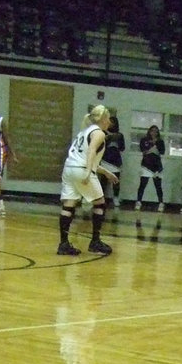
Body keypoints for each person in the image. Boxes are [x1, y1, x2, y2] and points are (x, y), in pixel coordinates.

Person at [57, 104, 114, 256]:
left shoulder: (84, 132)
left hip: (69, 168)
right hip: (81, 170)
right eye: (108, 118)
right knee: (100, 203)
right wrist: (88, 172)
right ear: (103, 119)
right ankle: (95, 241)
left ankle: (63, 244)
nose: (109, 122)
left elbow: (84, 157)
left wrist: (106, 172)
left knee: (68, 205)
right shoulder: (99, 133)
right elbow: (90, 152)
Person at [134, 124, 165, 211]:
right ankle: (139, 201)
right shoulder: (144, 140)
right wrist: (151, 150)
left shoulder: (160, 141)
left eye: (156, 131)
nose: (154, 133)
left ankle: (161, 203)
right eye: (152, 131)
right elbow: (143, 151)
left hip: (157, 166)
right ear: (149, 131)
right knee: (142, 184)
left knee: (158, 185)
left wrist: (156, 147)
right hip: (146, 165)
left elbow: (162, 152)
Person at [101, 114, 125, 208]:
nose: (111, 124)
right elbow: (99, 146)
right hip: (105, 159)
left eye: (113, 123)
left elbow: (122, 148)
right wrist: (107, 140)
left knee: (116, 180)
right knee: (103, 181)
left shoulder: (120, 135)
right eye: (109, 122)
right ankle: (101, 198)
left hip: (115, 160)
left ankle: (115, 198)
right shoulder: (103, 133)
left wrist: (116, 143)